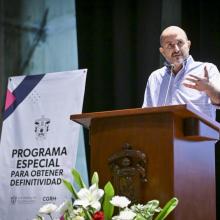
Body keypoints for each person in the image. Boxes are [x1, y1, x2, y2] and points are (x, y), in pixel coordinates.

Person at [142, 25, 220, 120]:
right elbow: (146, 115)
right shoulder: (155, 77)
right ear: (162, 51)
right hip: (164, 134)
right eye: (170, 45)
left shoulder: (207, 69)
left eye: (180, 43)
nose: (176, 49)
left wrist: (209, 88)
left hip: (200, 134)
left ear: (188, 45)